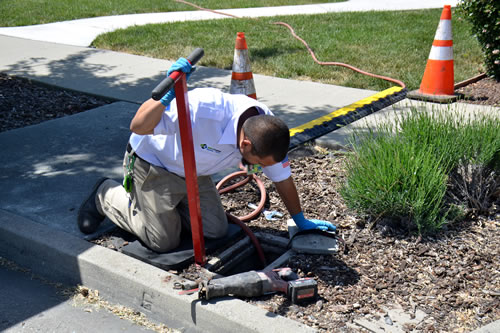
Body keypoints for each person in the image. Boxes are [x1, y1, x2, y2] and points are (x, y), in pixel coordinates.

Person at [77, 58, 335, 253]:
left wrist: (299, 219)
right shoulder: (200, 111)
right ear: (244, 144)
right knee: (163, 241)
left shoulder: (264, 129)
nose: (259, 171)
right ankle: (105, 195)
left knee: (215, 230)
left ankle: (166, 210)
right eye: (258, 164)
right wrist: (165, 98)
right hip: (154, 165)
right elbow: (138, 125)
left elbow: (282, 179)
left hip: (192, 170)